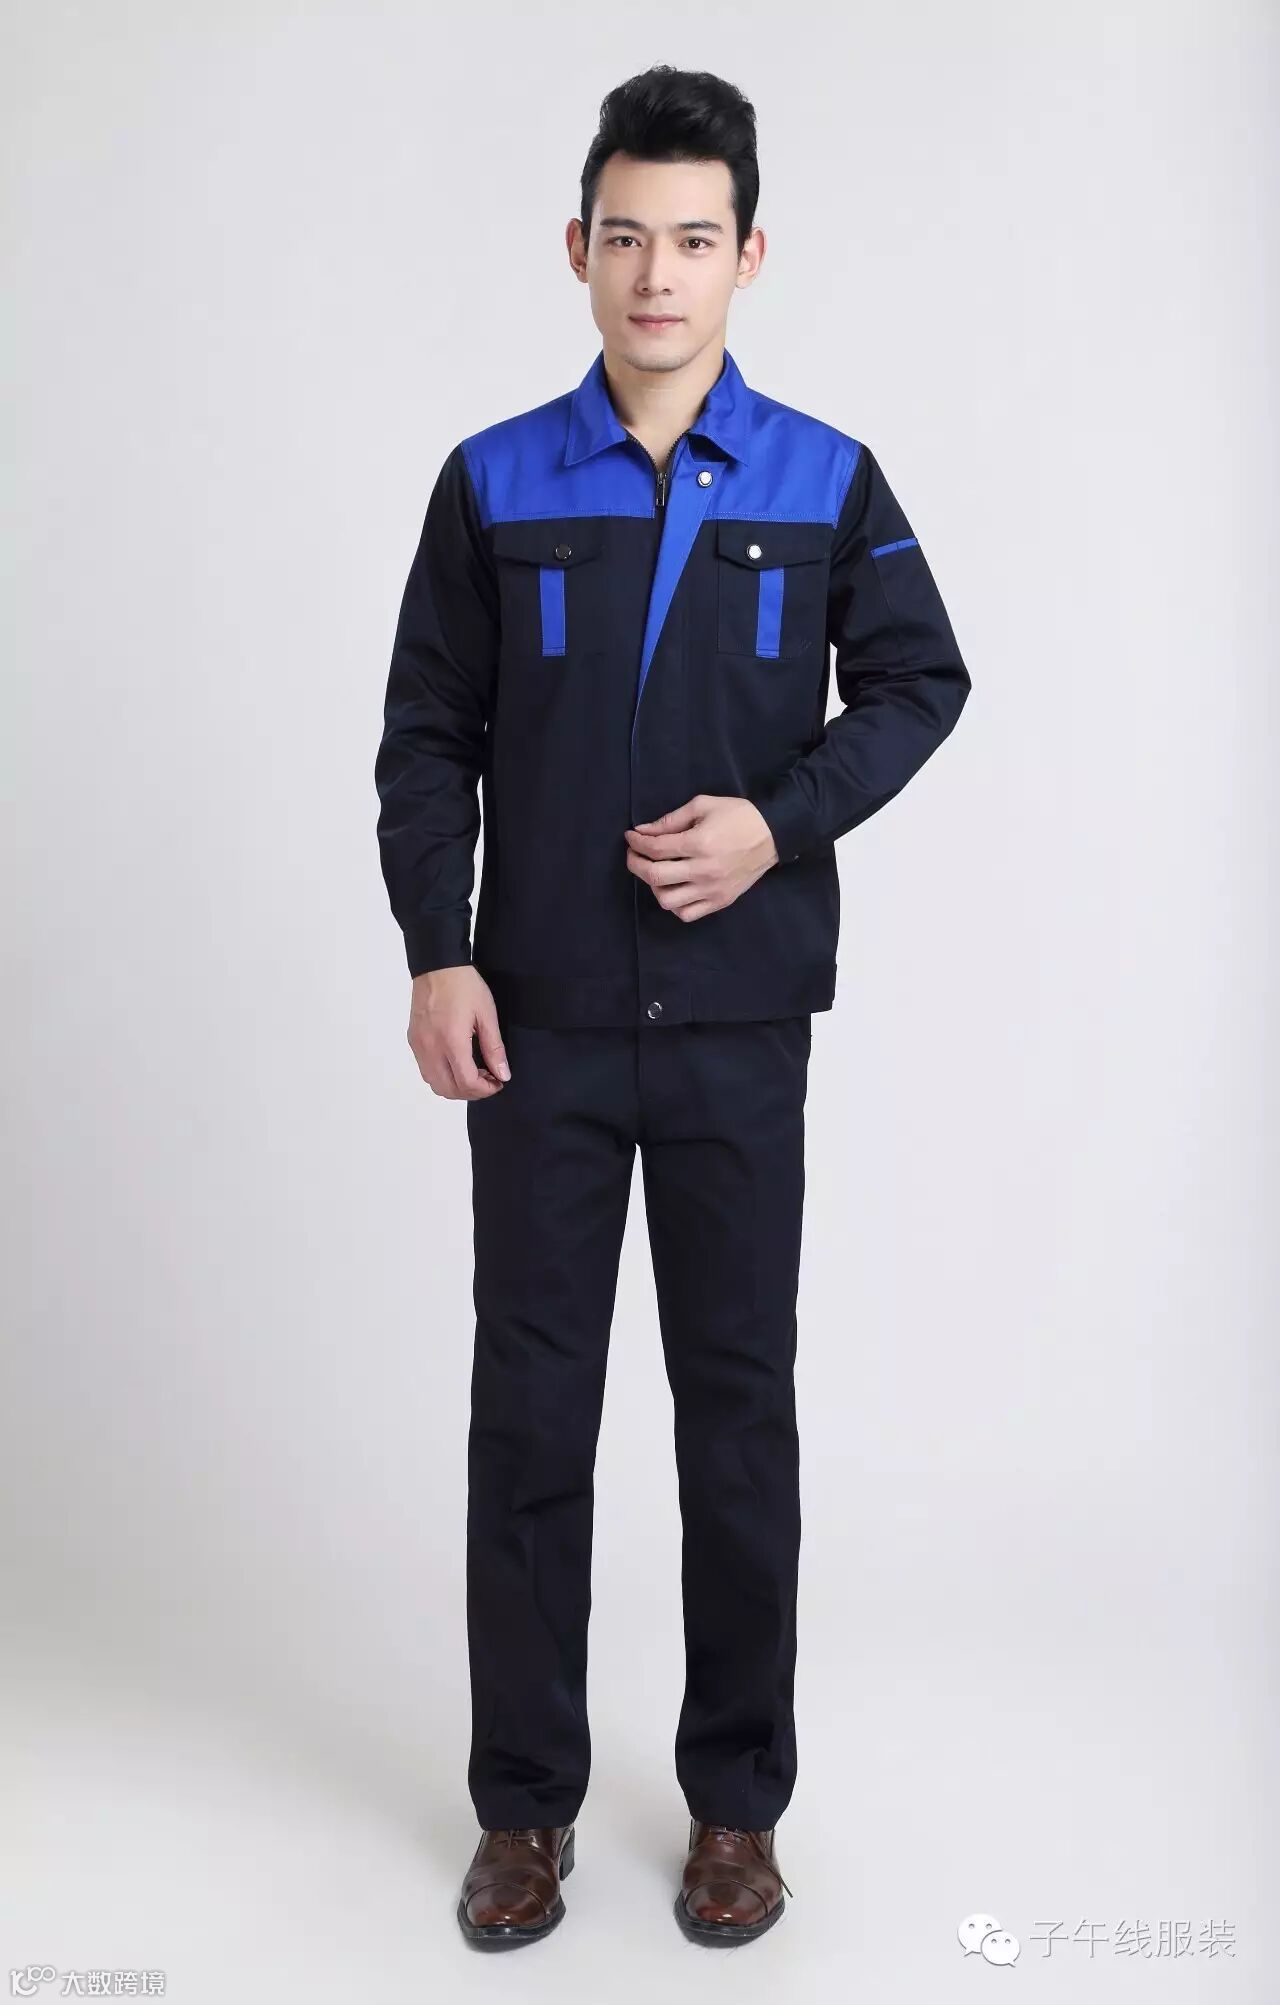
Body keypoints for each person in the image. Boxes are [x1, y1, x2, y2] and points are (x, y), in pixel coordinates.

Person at [374, 63, 971, 1951]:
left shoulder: (823, 478)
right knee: (530, 1421)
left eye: (692, 239)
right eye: (625, 236)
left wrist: (777, 823)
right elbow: (426, 734)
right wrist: (439, 947)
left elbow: (922, 680)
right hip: (537, 1028)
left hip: (733, 1026)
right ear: (578, 247)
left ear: (748, 257)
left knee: (737, 1417)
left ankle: (736, 1808)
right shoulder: (493, 479)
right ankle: (521, 1809)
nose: (656, 274)